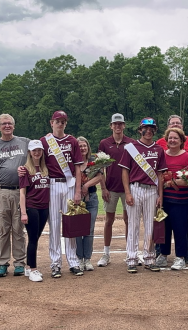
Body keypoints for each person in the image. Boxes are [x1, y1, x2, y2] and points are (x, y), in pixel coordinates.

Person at [119, 117, 167, 273]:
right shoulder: (131, 147)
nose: (149, 131)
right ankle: (131, 259)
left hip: (152, 190)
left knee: (150, 226)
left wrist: (160, 195)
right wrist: (127, 192)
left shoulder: (159, 149)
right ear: (140, 130)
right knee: (133, 225)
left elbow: (160, 175)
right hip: (136, 188)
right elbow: (124, 171)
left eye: (152, 129)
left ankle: (149, 257)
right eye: (146, 129)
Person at [40, 110, 85, 278]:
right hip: (52, 184)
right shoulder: (45, 141)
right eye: (57, 121)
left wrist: (78, 190)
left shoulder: (72, 141)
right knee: (54, 225)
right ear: (51, 122)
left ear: (66, 123)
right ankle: (55, 263)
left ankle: (73, 261)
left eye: (63, 121)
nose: (60, 123)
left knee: (70, 224)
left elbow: (78, 167)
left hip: (69, 184)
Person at [0, 114, 30, 278]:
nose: (7, 126)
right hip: (0, 191)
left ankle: (19, 263)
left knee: (19, 228)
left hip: (21, 191)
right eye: (4, 124)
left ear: (14, 126)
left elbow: (39, 152)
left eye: (10, 123)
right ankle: (2, 263)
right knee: (3, 229)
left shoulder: (24, 142)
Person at [97, 113, 134, 267]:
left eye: (120, 124)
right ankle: (106, 254)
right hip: (110, 188)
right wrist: (103, 188)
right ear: (111, 126)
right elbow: (100, 168)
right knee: (109, 220)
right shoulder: (104, 143)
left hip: (127, 188)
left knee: (128, 221)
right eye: (115, 124)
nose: (118, 127)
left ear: (124, 125)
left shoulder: (131, 143)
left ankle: (130, 253)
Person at [155, 128, 188, 270]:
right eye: (170, 138)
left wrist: (174, 182)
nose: (172, 140)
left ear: (181, 141)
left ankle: (180, 257)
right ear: (166, 140)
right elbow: (158, 177)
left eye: (176, 138)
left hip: (181, 200)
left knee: (180, 229)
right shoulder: (162, 156)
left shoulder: (187, 157)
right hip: (165, 199)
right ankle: (163, 254)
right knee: (164, 229)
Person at [19, 140, 50, 282]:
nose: (37, 153)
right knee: (33, 239)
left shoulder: (46, 168)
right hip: (32, 207)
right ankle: (33, 269)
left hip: (44, 207)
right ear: (29, 153)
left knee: (35, 238)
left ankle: (28, 266)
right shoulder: (25, 169)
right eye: (34, 150)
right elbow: (22, 193)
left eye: (39, 150)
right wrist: (24, 212)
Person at [76, 136, 103, 271]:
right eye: (80, 146)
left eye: (84, 146)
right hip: (77, 199)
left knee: (89, 230)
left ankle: (87, 259)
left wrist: (86, 185)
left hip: (91, 198)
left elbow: (100, 176)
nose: (82, 148)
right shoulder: (74, 162)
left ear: (88, 147)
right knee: (77, 230)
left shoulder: (94, 161)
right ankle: (78, 259)